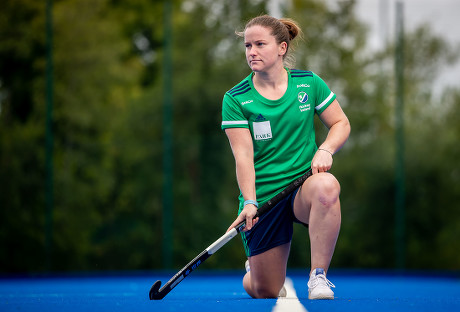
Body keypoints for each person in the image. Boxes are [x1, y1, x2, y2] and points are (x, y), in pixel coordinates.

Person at [221, 15, 351, 299]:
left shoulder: (308, 83)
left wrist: (325, 149)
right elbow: (243, 156)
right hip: (265, 198)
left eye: (259, 44)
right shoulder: (236, 98)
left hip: (302, 188)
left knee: (327, 187)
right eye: (247, 46)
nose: (251, 51)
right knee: (265, 290)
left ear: (282, 48)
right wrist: (250, 202)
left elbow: (341, 123)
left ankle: (318, 276)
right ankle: (253, 273)